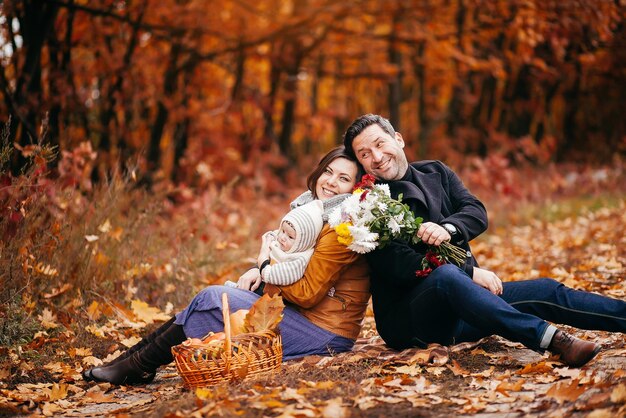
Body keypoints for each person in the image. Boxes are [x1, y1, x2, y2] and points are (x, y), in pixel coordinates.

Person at [342, 113, 626, 368]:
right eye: (365, 154)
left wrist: (449, 228)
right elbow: (400, 265)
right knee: (448, 276)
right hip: (412, 320)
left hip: (467, 307)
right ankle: (555, 341)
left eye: (380, 144)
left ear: (398, 139)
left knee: (546, 289)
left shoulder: (436, 172)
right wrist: (470, 272)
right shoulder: (368, 203)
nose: (376, 157)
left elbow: (475, 211)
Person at [82, 146, 370, 385]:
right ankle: (133, 362)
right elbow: (297, 266)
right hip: (305, 317)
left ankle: (138, 365)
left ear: (354, 188)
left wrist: (264, 265)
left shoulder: (342, 226)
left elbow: (307, 293)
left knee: (212, 299)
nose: (331, 182)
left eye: (343, 179)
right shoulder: (314, 212)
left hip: (324, 333)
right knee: (207, 302)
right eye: (328, 172)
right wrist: (260, 271)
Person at [225, 200, 325, 294]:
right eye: (283, 231)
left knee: (259, 287)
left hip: (271, 293)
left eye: (290, 237)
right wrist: (270, 237)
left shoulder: (299, 260)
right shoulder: (286, 242)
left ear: (302, 243)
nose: (282, 237)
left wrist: (263, 262)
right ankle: (240, 289)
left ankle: (242, 293)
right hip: (262, 279)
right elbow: (274, 234)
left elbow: (280, 275)